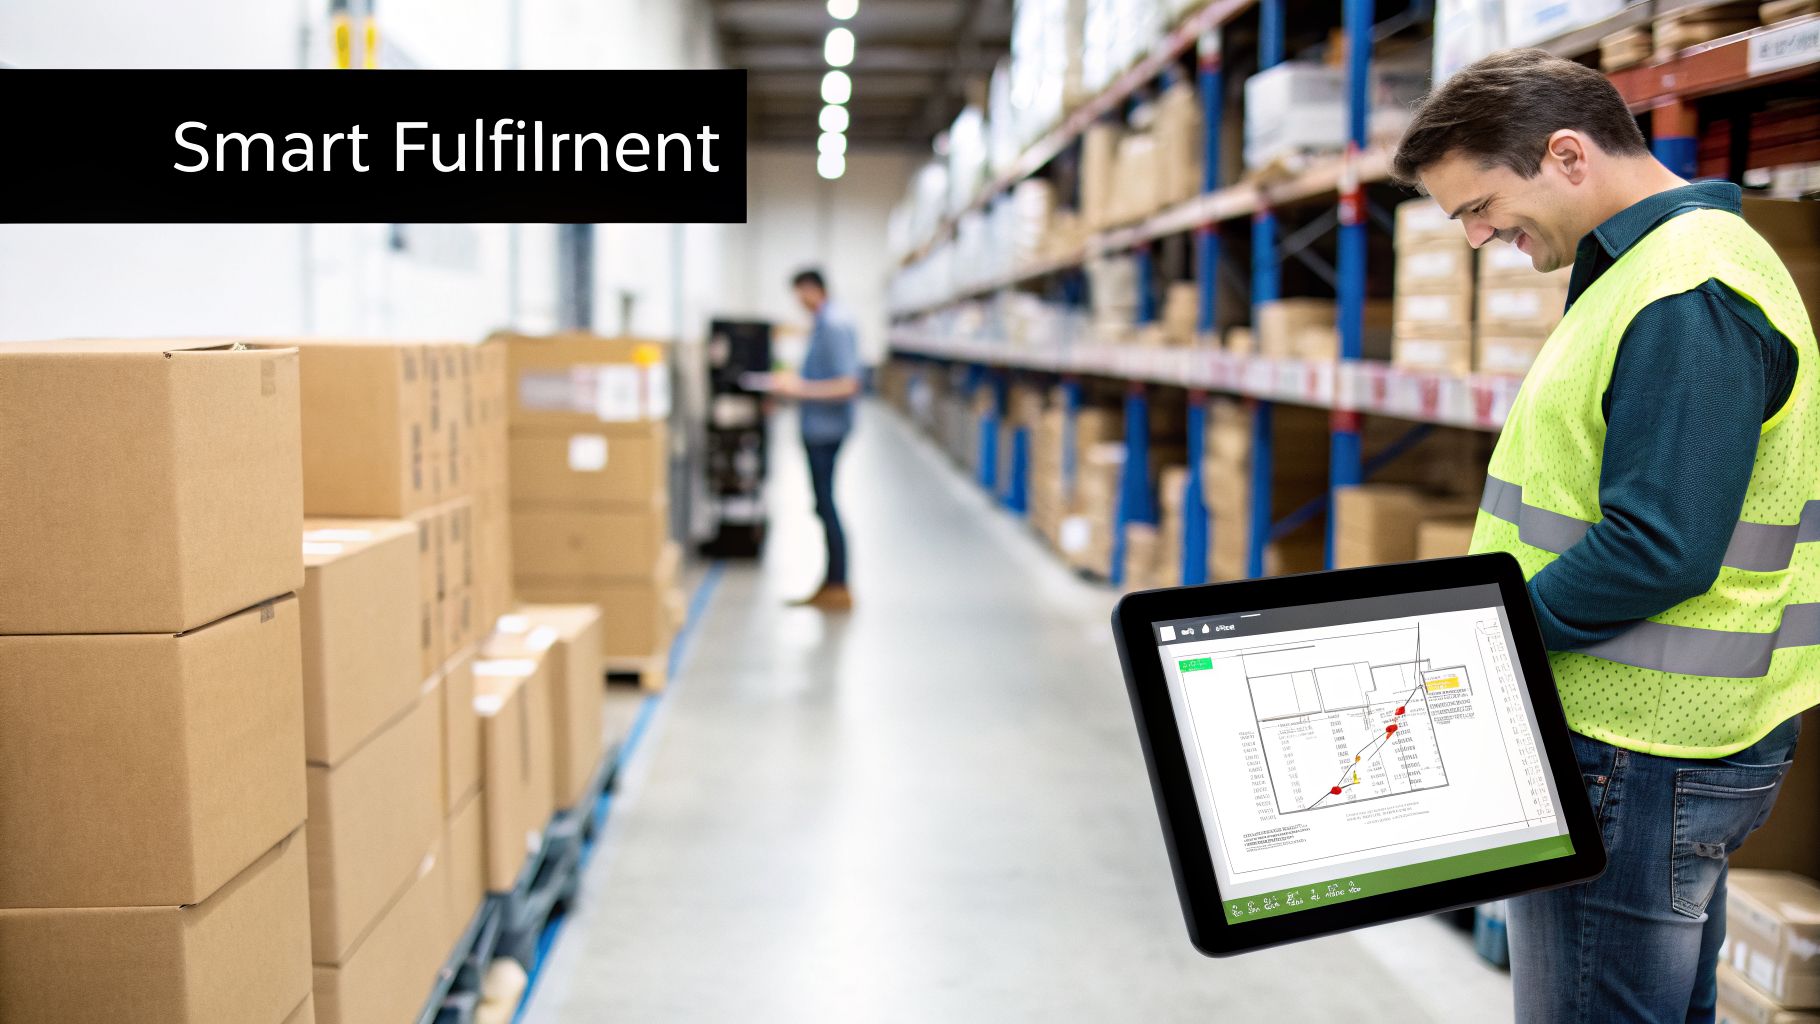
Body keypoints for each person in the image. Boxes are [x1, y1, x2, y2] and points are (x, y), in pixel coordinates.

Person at [1392, 48, 1817, 1023]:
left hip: (1634, 752)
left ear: (1567, 155)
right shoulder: (1652, 272)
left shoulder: (1686, 294)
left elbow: (1656, 544)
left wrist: (1486, 634)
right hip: (1644, 746)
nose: (1475, 236)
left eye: (1479, 205)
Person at [770, 268, 862, 610]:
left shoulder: (834, 325)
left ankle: (838, 584)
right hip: (819, 427)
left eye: (799, 293)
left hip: (826, 430)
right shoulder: (824, 322)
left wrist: (799, 389)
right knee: (822, 504)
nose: (798, 302)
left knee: (826, 504)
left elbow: (848, 384)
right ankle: (832, 581)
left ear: (812, 289)